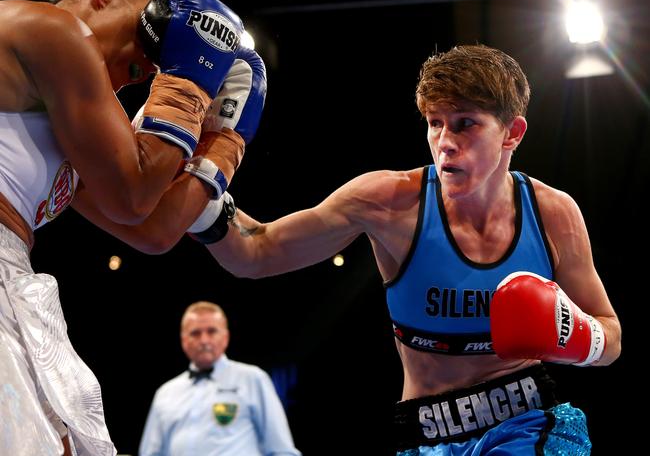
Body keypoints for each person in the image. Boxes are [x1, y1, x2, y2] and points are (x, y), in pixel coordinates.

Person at [190, 44, 622, 454]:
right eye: (435, 123)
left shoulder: (552, 213)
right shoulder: (389, 202)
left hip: (527, 423)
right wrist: (200, 192)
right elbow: (258, 253)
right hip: (427, 435)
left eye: (465, 123)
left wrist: (576, 336)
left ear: (512, 133)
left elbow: (612, 336)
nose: (445, 141)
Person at [0, 0, 258, 455]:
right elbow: (131, 196)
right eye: (151, 32)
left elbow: (153, 229)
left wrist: (225, 138)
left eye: (148, 72)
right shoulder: (50, 29)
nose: (137, 68)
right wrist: (189, 79)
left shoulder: (65, 113)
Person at [139, 301, 301, 456]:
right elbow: (150, 453)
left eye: (212, 331)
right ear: (183, 340)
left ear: (226, 337)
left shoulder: (252, 379)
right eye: (195, 333)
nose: (204, 340)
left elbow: (282, 450)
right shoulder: (166, 393)